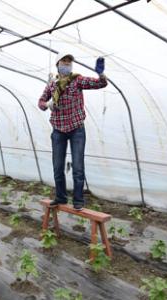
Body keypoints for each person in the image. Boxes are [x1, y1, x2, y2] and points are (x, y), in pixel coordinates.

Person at [38, 53, 108, 210]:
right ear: (58, 64)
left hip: (76, 129)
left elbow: (101, 84)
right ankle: (61, 197)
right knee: (57, 166)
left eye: (69, 62)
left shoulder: (77, 80)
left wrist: (100, 74)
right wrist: (48, 104)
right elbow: (40, 103)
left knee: (77, 166)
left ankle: (78, 200)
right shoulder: (52, 85)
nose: (67, 65)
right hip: (58, 130)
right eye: (64, 62)